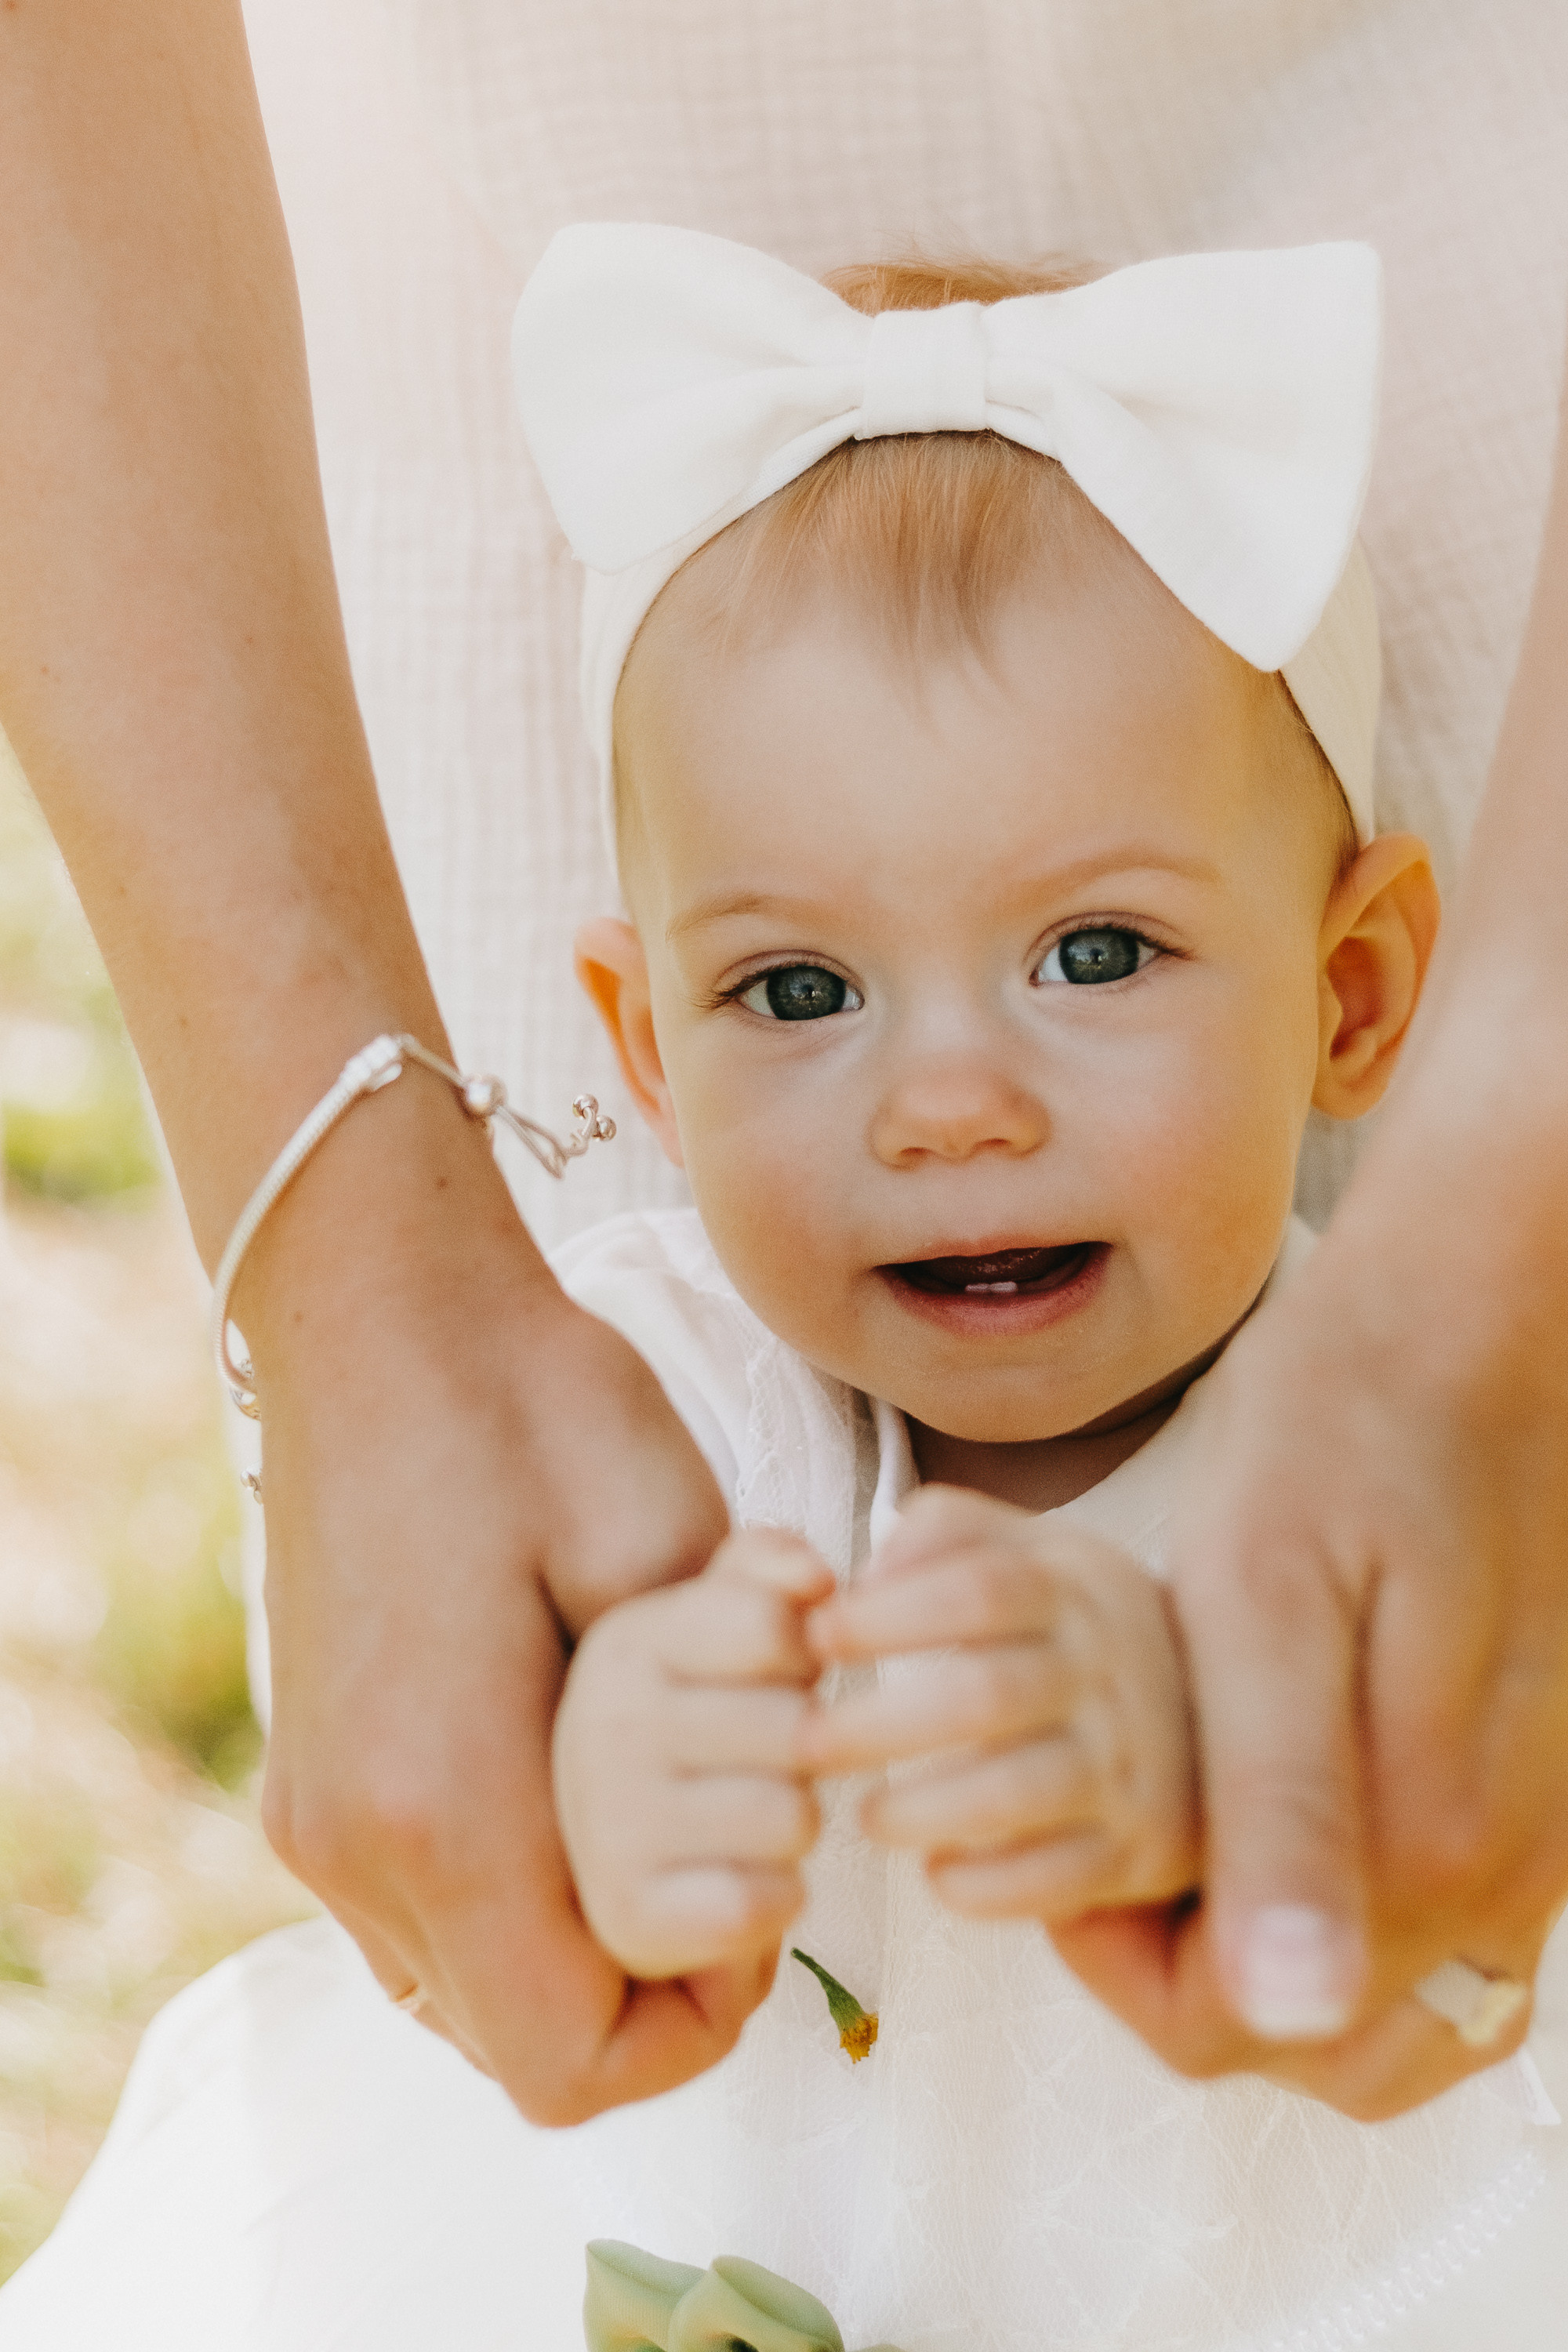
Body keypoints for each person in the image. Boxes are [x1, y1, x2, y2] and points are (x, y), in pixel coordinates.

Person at [2, 0, 1566, 2135]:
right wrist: (643, 1760)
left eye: (1094, 953)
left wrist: (1149, 1726)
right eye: (797, 994)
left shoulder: (1378, 1432)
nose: (947, 1104)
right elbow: (550, 1733)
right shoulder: (650, 1402)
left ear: (1364, 995)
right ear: (637, 1046)